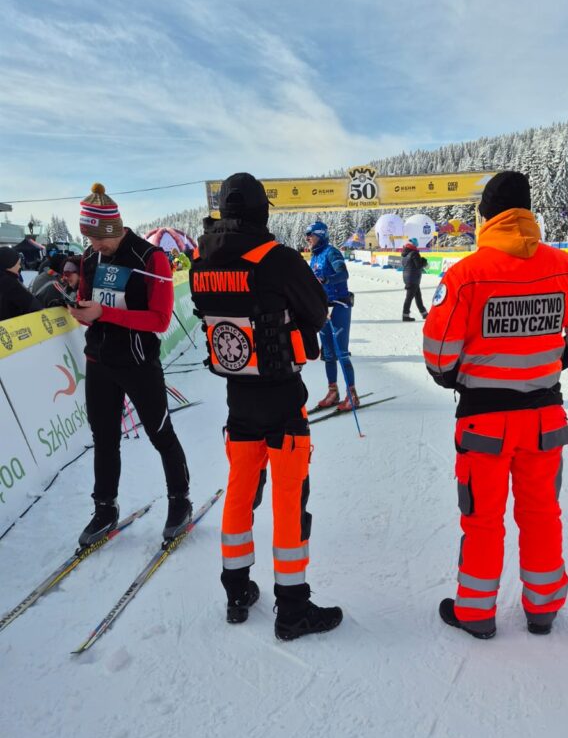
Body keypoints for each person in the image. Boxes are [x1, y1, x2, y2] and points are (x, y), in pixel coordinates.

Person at [423, 171, 568, 639]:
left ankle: (477, 613)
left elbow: (439, 355)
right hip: (544, 417)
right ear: (528, 213)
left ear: (485, 216)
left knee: (483, 519)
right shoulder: (566, 266)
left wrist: (461, 379)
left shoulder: (466, 273)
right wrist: (547, 364)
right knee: (542, 513)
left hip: (483, 420)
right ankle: (543, 608)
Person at [191, 173, 342, 637]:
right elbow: (318, 311)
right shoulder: (277, 259)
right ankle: (293, 607)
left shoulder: (200, 261)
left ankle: (237, 591)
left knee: (239, 491)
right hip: (281, 395)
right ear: (262, 212)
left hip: (239, 398)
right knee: (290, 498)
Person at [69, 183, 192, 547]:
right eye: (88, 239)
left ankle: (179, 501)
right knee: (104, 440)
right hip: (99, 361)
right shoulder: (90, 259)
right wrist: (81, 311)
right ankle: (105, 508)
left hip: (138, 362)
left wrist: (104, 312)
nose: (93, 246)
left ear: (113, 229)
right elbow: (85, 303)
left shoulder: (149, 258)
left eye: (97, 238)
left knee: (160, 433)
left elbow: (159, 320)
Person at [307, 221, 359, 410]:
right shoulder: (314, 256)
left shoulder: (331, 252)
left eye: (310, 234)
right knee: (328, 354)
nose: (308, 238)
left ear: (320, 235)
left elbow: (343, 274)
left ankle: (352, 394)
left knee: (341, 352)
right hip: (323, 309)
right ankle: (333, 391)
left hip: (339, 306)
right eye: (307, 235)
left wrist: (327, 279)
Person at [0, 246, 43, 320]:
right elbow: (33, 306)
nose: (20, 267)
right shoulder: (9, 283)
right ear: (9, 265)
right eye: (18, 264)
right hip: (12, 328)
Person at [401, 238, 428, 321]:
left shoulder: (405, 253)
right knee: (409, 298)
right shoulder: (414, 253)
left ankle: (424, 314)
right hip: (413, 278)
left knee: (418, 297)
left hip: (409, 277)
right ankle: (405, 315)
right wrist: (423, 261)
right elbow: (418, 265)